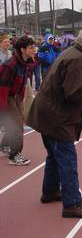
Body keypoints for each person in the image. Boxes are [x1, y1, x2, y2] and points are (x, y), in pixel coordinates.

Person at [26, 25, 82, 218]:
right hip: (57, 117)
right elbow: (74, 93)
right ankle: (72, 204)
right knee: (67, 159)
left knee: (53, 155)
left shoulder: (72, 53)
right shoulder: (78, 60)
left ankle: (50, 192)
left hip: (47, 113)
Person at [0, 36, 36, 165]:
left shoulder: (25, 63)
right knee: (17, 126)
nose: (34, 50)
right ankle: (14, 156)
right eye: (31, 48)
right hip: (7, 98)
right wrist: (3, 108)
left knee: (15, 123)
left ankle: (4, 145)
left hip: (16, 97)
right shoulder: (10, 65)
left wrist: (20, 99)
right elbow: (3, 87)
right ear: (22, 49)